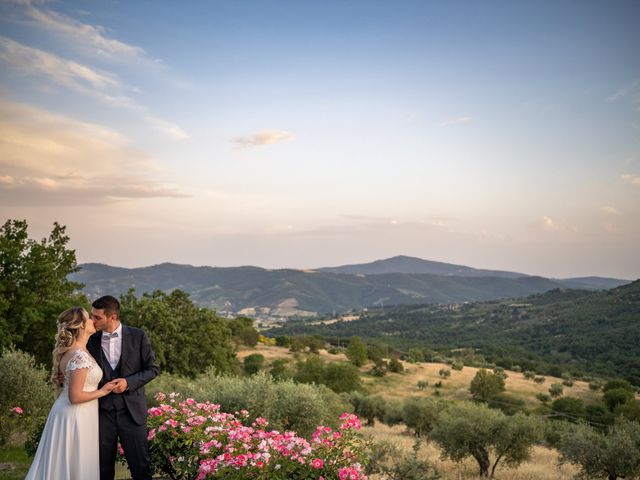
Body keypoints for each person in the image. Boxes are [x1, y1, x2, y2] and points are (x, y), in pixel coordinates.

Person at [25, 307, 119, 480]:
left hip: (72, 413)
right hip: (75, 415)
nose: (92, 320)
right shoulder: (79, 356)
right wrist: (103, 391)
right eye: (88, 318)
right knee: (73, 461)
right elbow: (75, 397)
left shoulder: (77, 351)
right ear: (81, 326)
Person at [88, 295, 159, 480]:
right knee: (102, 470)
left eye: (97, 317)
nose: (92, 320)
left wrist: (128, 382)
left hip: (132, 413)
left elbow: (152, 369)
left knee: (141, 469)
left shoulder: (138, 336)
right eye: (92, 316)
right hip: (101, 413)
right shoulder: (91, 340)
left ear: (112, 317)